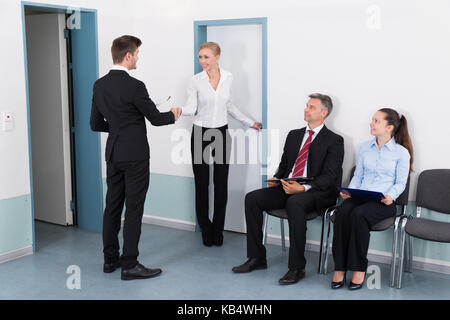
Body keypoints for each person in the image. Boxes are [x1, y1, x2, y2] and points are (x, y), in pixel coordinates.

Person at [90, 35, 182, 280]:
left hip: (113, 153)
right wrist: (174, 114)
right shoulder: (135, 86)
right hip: (136, 156)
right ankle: (130, 264)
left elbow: (95, 123)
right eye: (137, 54)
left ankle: (110, 260)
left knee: (112, 207)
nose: (138, 58)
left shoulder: (99, 85)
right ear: (128, 56)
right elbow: (156, 119)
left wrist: (120, 127)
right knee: (134, 208)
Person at [232, 93, 344, 285]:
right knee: (252, 198)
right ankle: (257, 258)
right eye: (306, 106)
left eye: (312, 107)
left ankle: (296, 267)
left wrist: (303, 188)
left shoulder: (334, 140)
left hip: (316, 192)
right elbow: (285, 166)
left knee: (295, 203)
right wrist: (277, 178)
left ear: (324, 113)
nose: (306, 110)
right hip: (288, 186)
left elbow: (330, 176)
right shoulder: (294, 135)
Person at [181, 42, 262, 247]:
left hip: (222, 132)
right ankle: (205, 229)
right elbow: (191, 107)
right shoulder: (195, 81)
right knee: (202, 184)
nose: (203, 61)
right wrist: (178, 110)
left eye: (206, 57)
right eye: (200, 57)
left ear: (217, 57)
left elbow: (229, 105)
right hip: (200, 133)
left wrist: (249, 122)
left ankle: (218, 230)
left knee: (221, 184)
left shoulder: (228, 77)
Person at [331, 108, 413, 290]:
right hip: (361, 196)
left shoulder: (401, 153)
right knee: (343, 211)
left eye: (376, 121)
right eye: (372, 120)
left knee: (359, 215)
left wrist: (391, 196)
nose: (371, 123)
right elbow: (358, 176)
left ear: (389, 127)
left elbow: (400, 183)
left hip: (384, 203)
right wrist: (349, 191)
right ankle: (340, 267)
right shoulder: (365, 148)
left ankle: (358, 269)